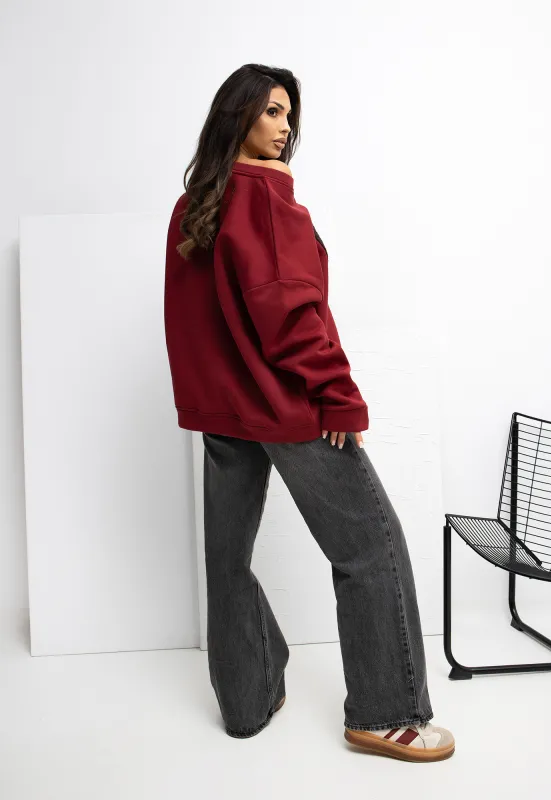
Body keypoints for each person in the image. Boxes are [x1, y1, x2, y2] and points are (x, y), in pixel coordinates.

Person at [163, 63, 455, 763]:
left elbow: (192, 320)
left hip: (226, 413)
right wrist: (339, 398)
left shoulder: (195, 204)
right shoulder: (264, 197)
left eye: (288, 114)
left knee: (227, 561)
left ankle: (247, 704)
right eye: (271, 111)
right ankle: (386, 715)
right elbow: (292, 312)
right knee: (371, 548)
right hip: (291, 408)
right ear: (238, 116)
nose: (284, 126)